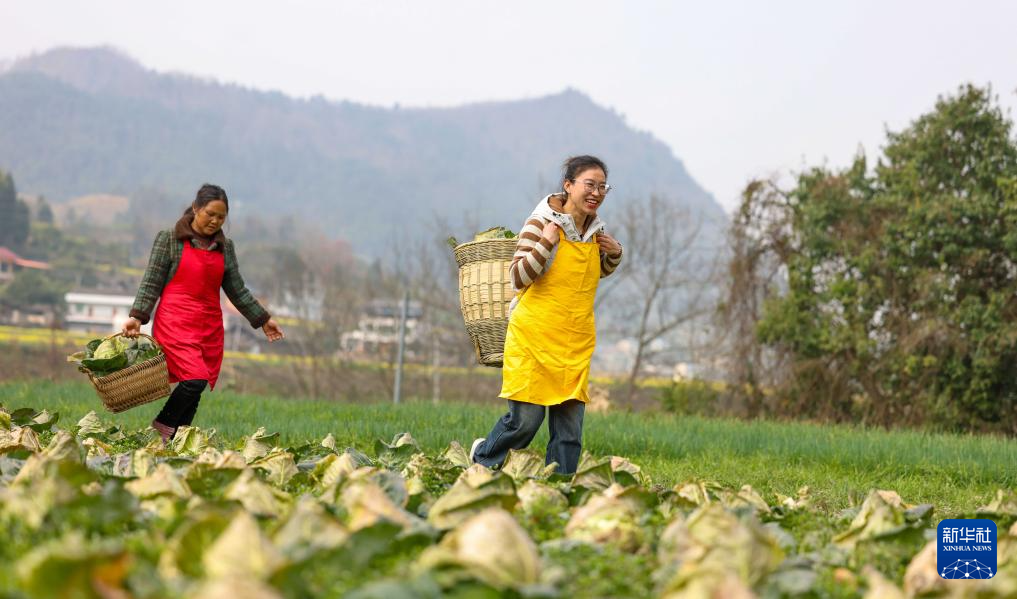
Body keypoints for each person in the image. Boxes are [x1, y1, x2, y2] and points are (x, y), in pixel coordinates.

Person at [471, 155, 623, 474]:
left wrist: (614, 254)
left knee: (569, 432)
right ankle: (483, 460)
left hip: (574, 341)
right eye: (590, 185)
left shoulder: (596, 231)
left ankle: (560, 485)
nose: (596, 193)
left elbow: (590, 273)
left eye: (602, 187)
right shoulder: (541, 223)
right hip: (534, 338)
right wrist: (545, 243)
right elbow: (517, 277)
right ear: (568, 185)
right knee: (525, 422)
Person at [122, 184, 284, 441]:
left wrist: (263, 319)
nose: (215, 221)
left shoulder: (225, 248)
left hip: (208, 326)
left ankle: (176, 441)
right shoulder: (170, 239)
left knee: (197, 386)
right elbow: (151, 281)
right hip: (175, 321)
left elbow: (237, 290)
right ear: (196, 208)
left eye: (221, 217)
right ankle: (162, 425)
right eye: (210, 214)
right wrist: (137, 317)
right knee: (195, 379)